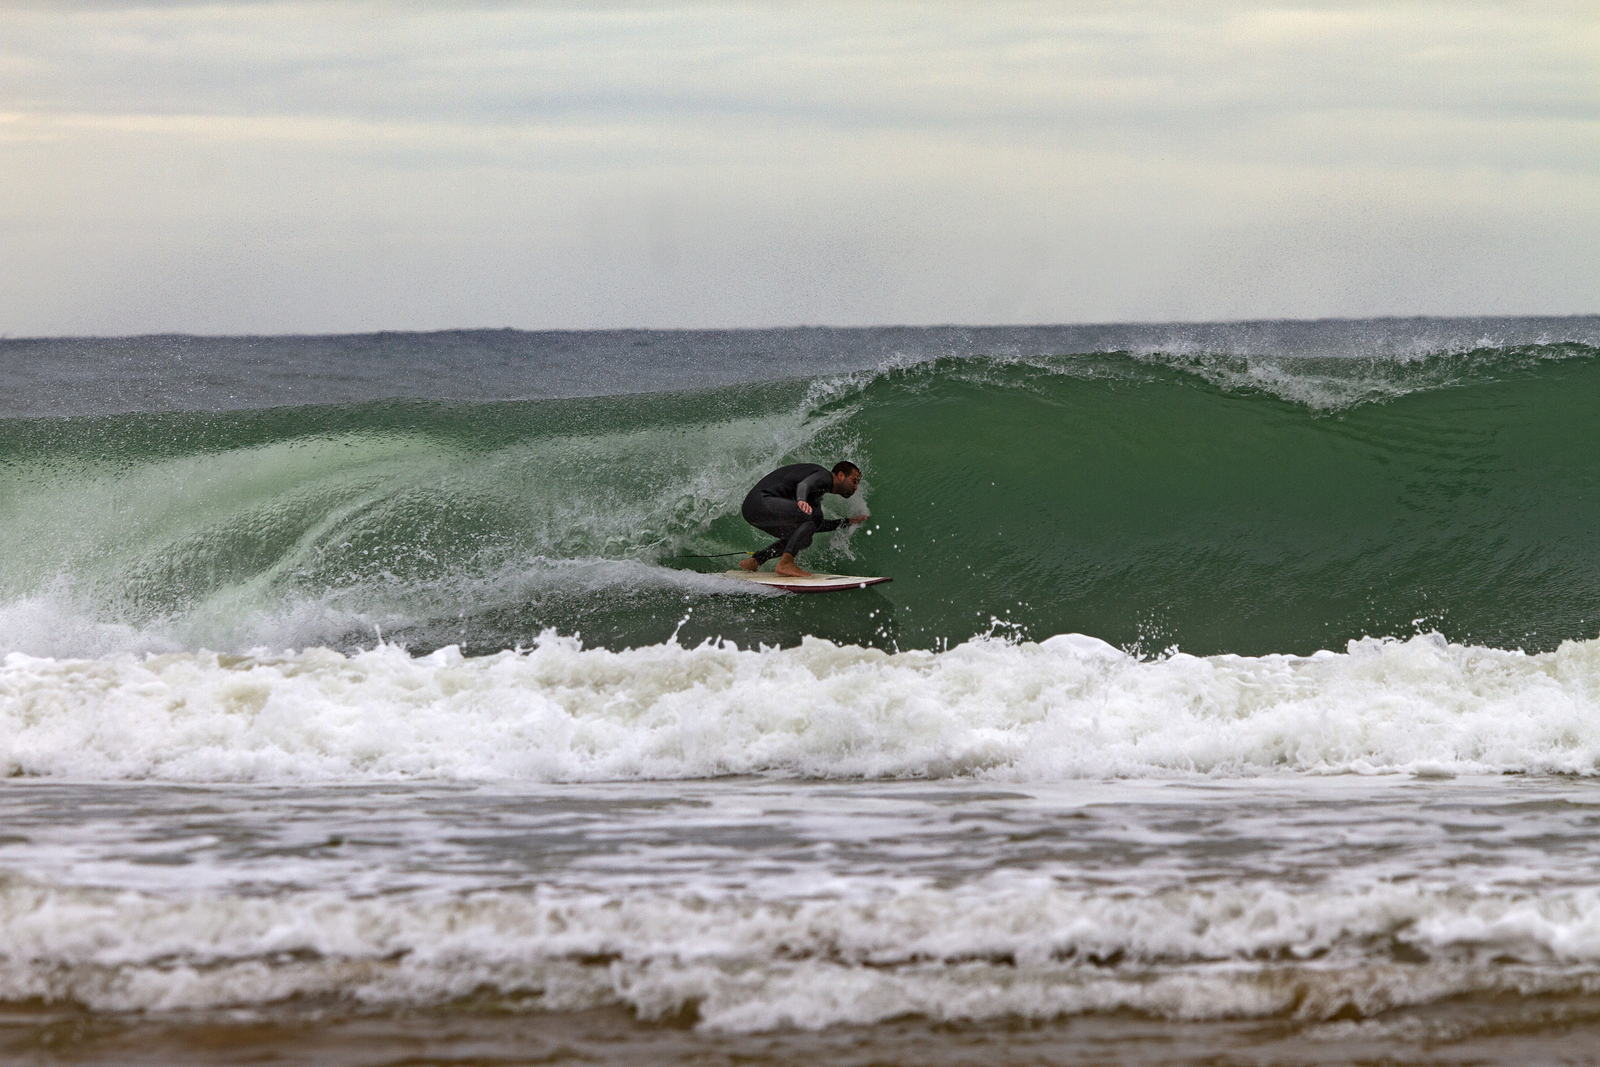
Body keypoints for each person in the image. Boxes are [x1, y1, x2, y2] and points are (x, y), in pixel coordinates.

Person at [739, 461, 868, 577]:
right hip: (761, 501)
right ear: (840, 476)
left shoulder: (817, 492)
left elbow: (815, 525)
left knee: (805, 538)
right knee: (814, 515)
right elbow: (804, 485)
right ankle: (786, 562)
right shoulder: (824, 476)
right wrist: (801, 500)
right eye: (854, 481)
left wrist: (847, 522)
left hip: (753, 510)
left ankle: (755, 561)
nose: (856, 487)